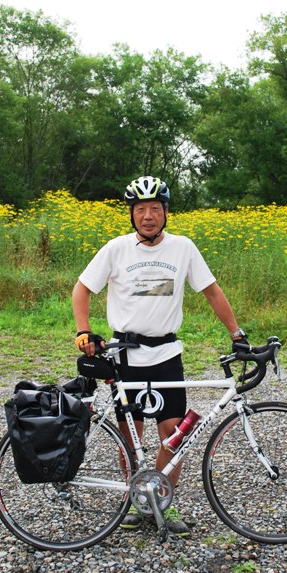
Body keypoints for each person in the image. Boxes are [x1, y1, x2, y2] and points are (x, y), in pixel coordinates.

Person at [72, 175, 247, 537]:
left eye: (155, 208)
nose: (148, 216)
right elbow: (82, 289)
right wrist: (83, 331)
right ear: (132, 214)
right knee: (130, 437)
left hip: (167, 354)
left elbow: (212, 292)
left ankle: (163, 499)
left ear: (166, 212)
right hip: (125, 356)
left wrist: (237, 334)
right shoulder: (116, 249)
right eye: (140, 209)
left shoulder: (183, 248)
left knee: (173, 435)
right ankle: (135, 500)